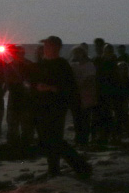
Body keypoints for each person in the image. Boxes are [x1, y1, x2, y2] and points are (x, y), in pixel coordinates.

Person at [32, 36, 93, 178]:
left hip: (57, 106)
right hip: (41, 105)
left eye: (48, 46)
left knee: (55, 138)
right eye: (45, 46)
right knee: (46, 138)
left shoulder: (62, 65)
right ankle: (54, 169)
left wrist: (51, 88)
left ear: (56, 48)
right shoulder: (41, 64)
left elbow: (69, 87)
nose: (45, 48)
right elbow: (33, 81)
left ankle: (79, 166)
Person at [95, 44, 129, 144]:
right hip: (102, 90)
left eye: (109, 50)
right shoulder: (100, 61)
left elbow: (117, 77)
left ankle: (112, 136)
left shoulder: (113, 63)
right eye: (106, 50)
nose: (107, 52)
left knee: (112, 115)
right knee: (103, 114)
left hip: (111, 91)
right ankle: (104, 136)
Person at [6, 46, 37, 153]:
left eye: (20, 53)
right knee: (13, 122)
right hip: (15, 96)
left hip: (25, 97)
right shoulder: (10, 65)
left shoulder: (29, 65)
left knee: (26, 123)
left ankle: (25, 145)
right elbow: (7, 82)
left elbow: (32, 82)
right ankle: (14, 145)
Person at [69, 44, 98, 146]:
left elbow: (90, 79)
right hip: (76, 94)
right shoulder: (73, 65)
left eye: (79, 52)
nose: (77, 54)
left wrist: (80, 86)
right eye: (75, 53)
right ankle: (78, 139)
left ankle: (84, 140)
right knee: (77, 118)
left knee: (85, 118)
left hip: (86, 94)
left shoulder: (89, 65)